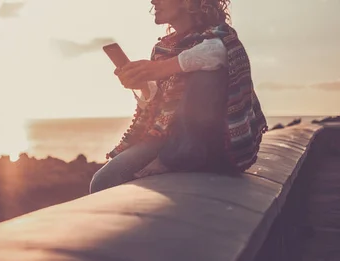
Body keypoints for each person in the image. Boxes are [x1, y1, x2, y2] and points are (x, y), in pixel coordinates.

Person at [89, 0, 268, 194]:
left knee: (207, 74)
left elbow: (216, 53)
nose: (153, 1)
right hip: (169, 139)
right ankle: (172, 157)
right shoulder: (163, 49)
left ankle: (180, 155)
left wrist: (159, 69)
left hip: (216, 146)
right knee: (102, 181)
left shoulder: (223, 39)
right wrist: (142, 84)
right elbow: (159, 103)